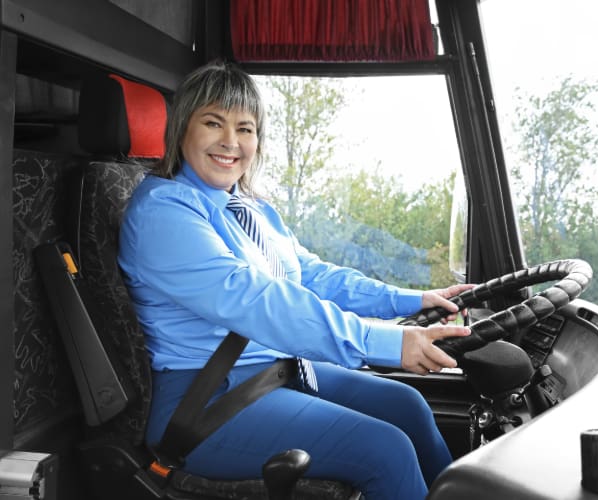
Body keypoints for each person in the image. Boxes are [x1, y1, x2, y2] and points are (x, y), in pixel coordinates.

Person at [118, 60, 472, 500]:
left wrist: (410, 300)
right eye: (213, 123)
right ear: (182, 131)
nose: (231, 142)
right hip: (207, 398)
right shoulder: (164, 213)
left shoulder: (250, 208)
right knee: (386, 448)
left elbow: (310, 275)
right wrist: (385, 343)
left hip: (277, 373)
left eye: (245, 129)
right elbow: (258, 299)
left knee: (408, 407)